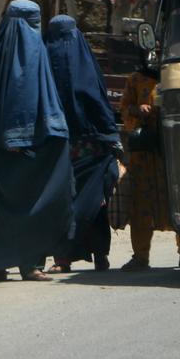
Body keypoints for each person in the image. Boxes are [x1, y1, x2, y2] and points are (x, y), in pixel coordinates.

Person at [0, 0, 72, 282]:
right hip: (23, 147)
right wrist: (19, 137)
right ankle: (28, 265)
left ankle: (1, 263)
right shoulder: (30, 51)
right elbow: (23, 98)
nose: (35, 29)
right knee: (31, 202)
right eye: (33, 23)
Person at [43, 15, 126, 274]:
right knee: (94, 203)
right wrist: (111, 137)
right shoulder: (85, 62)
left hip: (60, 147)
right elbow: (98, 102)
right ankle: (99, 255)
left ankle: (64, 258)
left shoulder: (45, 61)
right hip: (91, 147)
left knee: (65, 203)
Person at [119, 49, 173, 271]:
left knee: (176, 199)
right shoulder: (135, 80)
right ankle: (141, 257)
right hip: (142, 155)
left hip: (170, 151)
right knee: (140, 203)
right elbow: (123, 109)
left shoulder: (175, 75)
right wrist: (137, 109)